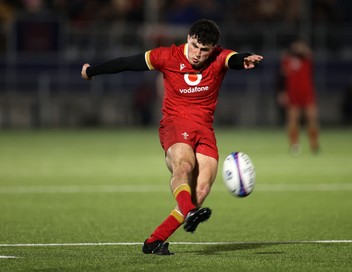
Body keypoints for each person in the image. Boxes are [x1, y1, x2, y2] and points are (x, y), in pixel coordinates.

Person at [81, 19, 263, 255]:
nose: (198, 54)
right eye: (195, 46)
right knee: (184, 166)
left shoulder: (219, 57)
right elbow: (127, 63)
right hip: (175, 124)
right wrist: (91, 71)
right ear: (188, 38)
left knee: (202, 189)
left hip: (205, 129)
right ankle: (189, 212)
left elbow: (234, 59)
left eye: (204, 50)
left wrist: (245, 58)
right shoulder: (167, 56)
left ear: (213, 48)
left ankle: (154, 241)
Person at [277, 38, 320, 155]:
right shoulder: (287, 60)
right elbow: (281, 77)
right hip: (293, 93)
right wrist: (281, 92)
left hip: (307, 93)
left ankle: (314, 145)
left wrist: (303, 49)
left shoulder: (307, 58)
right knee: (292, 120)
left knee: (312, 119)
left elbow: (309, 54)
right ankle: (294, 145)